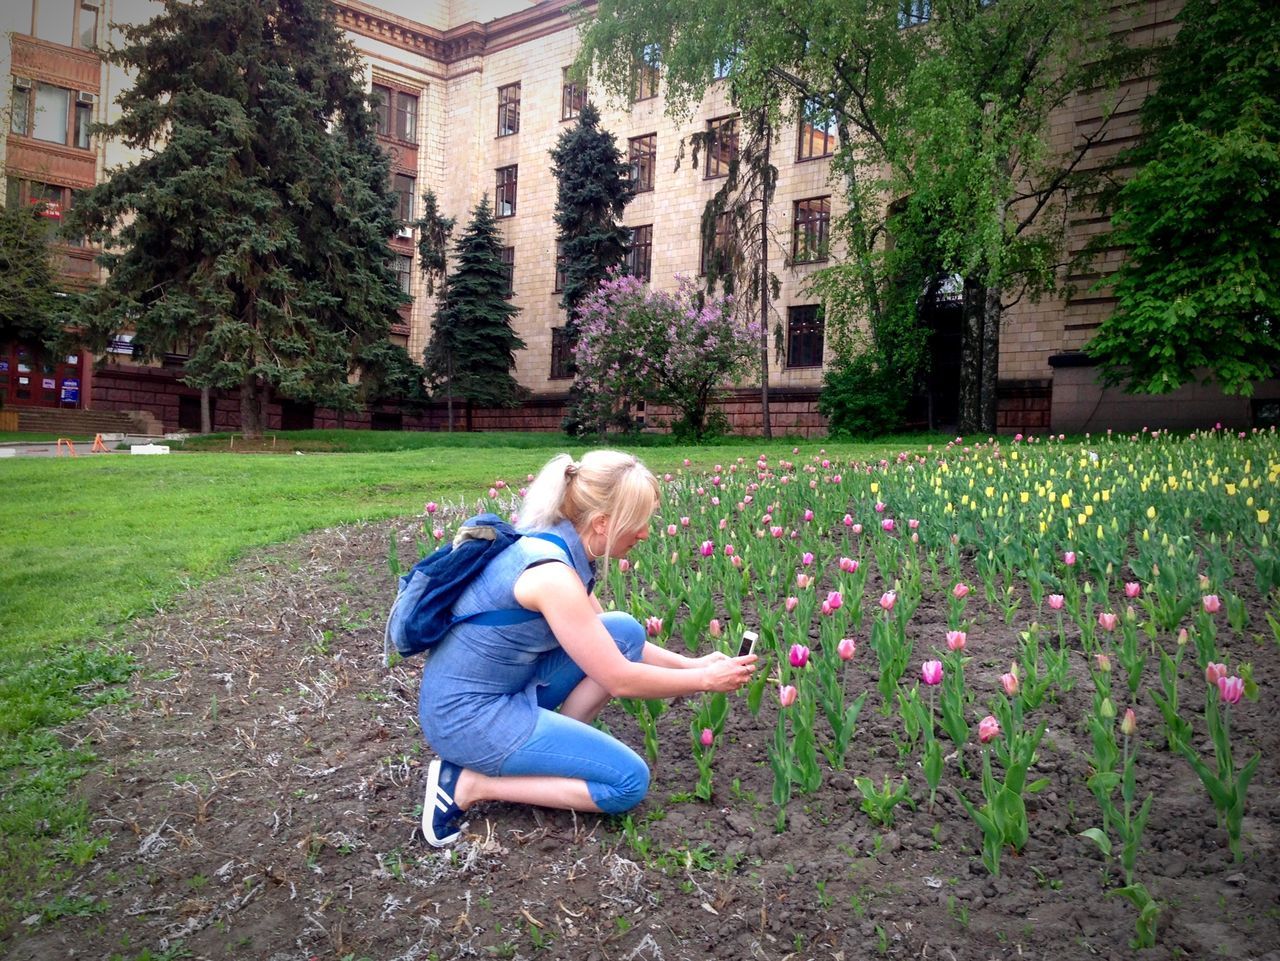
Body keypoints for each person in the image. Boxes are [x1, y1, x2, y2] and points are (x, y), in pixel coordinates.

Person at [418, 449, 757, 846]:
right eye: (639, 522)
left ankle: (553, 751)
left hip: (501, 692)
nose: (646, 533)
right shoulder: (552, 576)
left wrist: (691, 663)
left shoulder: (556, 546)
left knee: (622, 629)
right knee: (628, 783)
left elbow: (608, 644)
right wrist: (704, 680)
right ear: (602, 523)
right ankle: (467, 785)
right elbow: (620, 679)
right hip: (467, 719)